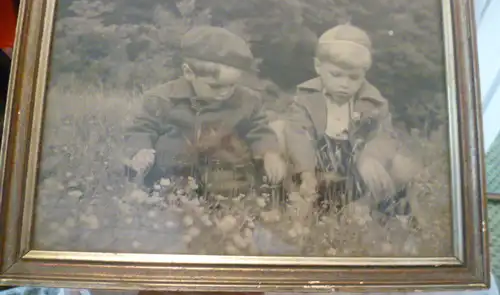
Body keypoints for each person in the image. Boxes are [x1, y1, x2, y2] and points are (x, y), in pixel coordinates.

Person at [124, 26, 286, 194]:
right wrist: (141, 150)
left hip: (225, 178)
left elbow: (259, 129)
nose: (225, 92)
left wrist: (269, 153)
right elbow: (142, 129)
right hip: (171, 175)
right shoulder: (161, 99)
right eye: (215, 86)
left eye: (232, 85)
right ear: (188, 72)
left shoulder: (246, 100)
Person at [283, 24, 418, 218]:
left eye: (354, 78)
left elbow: (384, 136)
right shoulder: (305, 97)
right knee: (280, 131)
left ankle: (365, 206)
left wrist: (371, 158)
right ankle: (297, 201)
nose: (344, 84)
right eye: (336, 75)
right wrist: (306, 171)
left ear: (364, 74)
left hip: (354, 171)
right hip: (316, 169)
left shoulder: (374, 103)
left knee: (402, 165)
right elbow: (298, 134)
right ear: (318, 67)